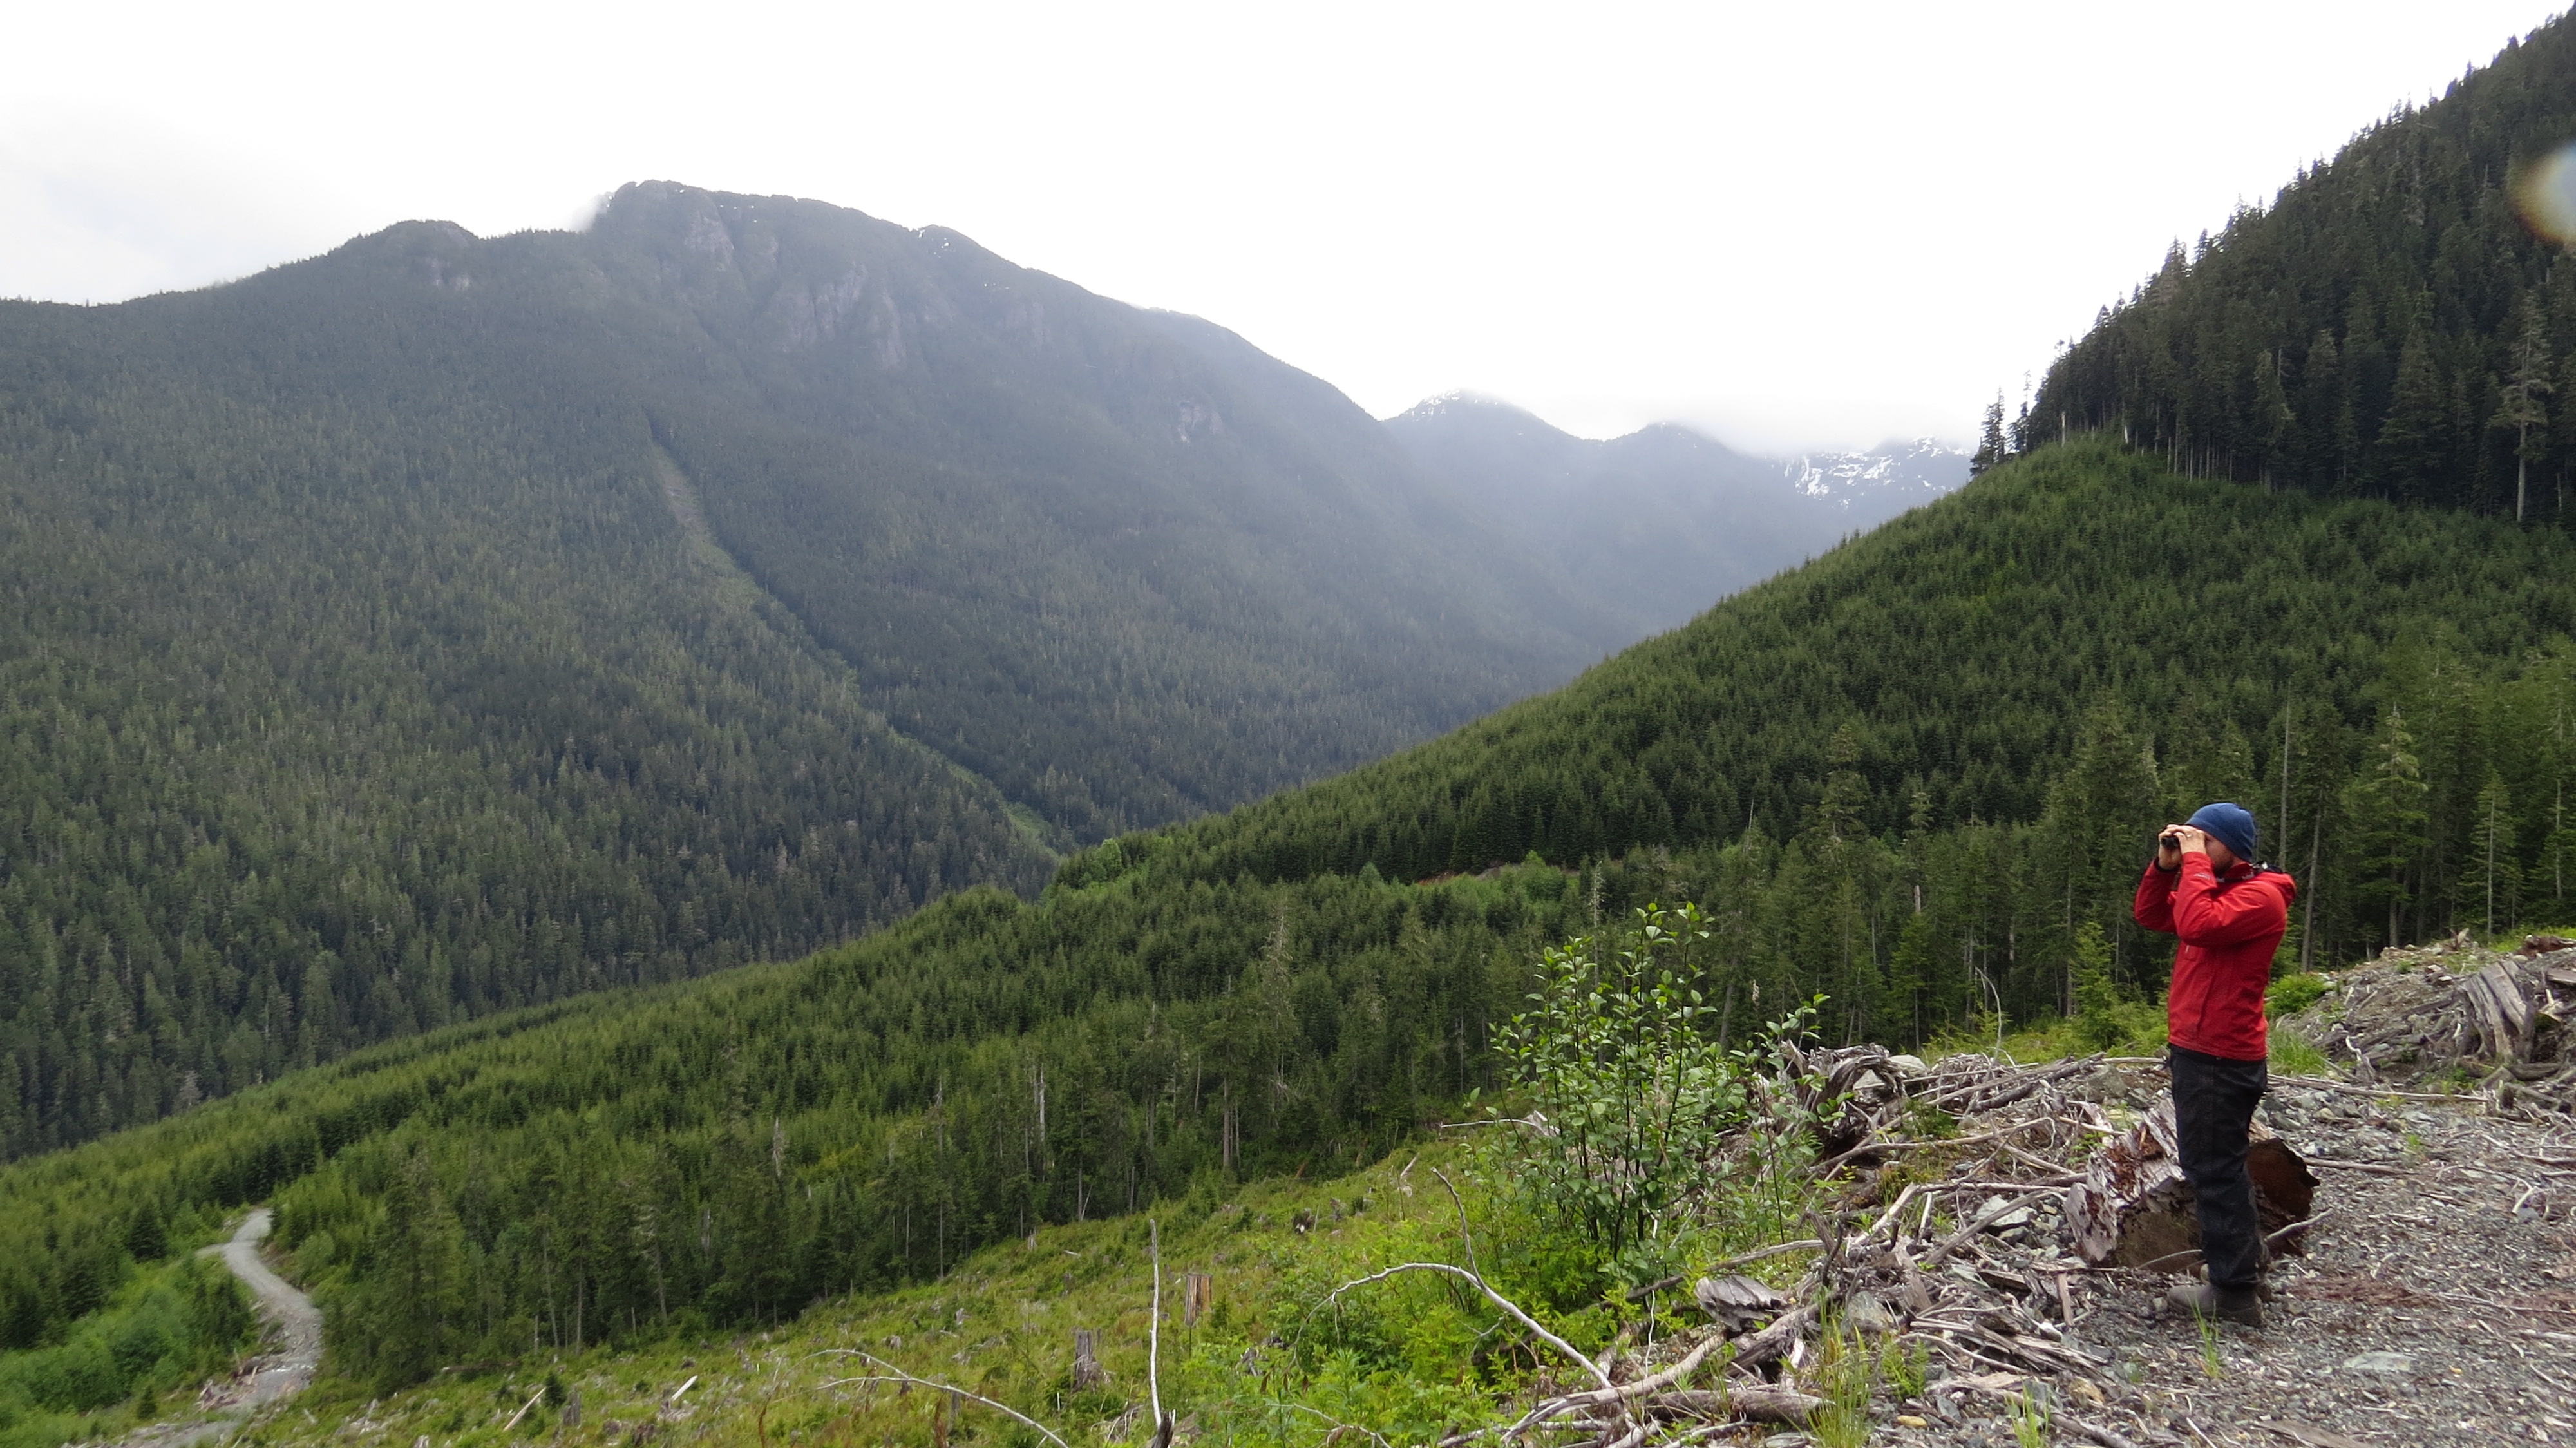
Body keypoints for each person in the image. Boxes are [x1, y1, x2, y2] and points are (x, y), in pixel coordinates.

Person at [2132, 801, 2298, 1328]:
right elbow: (2155, 915)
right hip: (2202, 1047)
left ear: (2233, 846)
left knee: (2213, 1169)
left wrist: (2196, 863)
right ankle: (2244, 1268)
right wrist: (2164, 868)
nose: (2193, 848)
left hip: (2219, 1054)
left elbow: (2199, 924)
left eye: (2205, 839)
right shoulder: (2220, 888)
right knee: (2221, 1164)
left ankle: (2233, 1293)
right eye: (2190, 839)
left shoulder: (2261, 898)